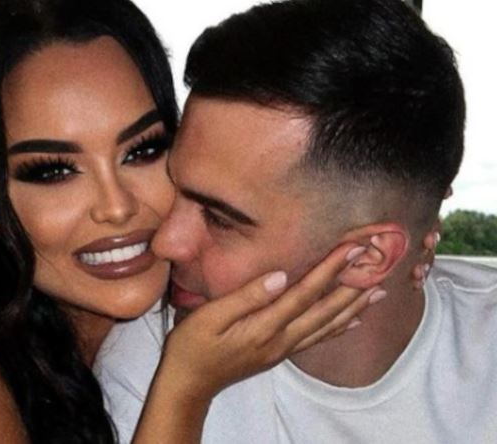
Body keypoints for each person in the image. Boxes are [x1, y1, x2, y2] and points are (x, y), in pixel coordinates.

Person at [0, 0, 387, 442]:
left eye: (143, 150)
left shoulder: (200, 295)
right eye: (54, 170)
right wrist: (185, 387)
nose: (116, 207)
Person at [97, 0, 497, 442]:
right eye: (177, 188)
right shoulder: (158, 361)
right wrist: (183, 393)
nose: (165, 242)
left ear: (366, 256)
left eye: (220, 219)